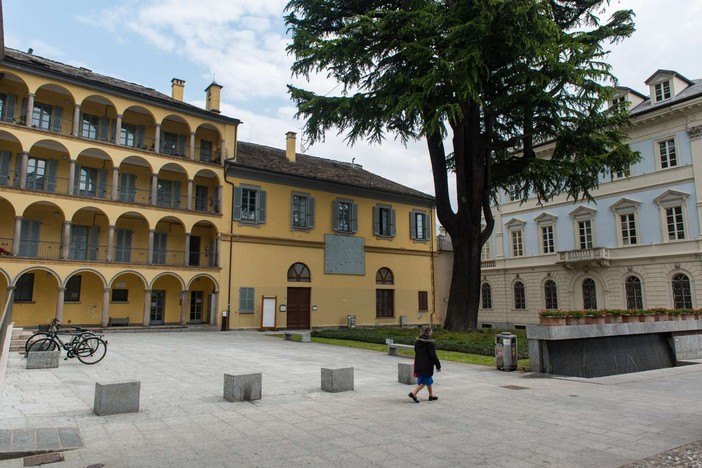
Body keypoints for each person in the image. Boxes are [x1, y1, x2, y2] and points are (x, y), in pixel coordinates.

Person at [408, 325, 441, 403]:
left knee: (428, 380)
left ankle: (431, 395)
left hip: (419, 363)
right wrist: (438, 366)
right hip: (427, 365)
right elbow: (433, 356)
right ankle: (413, 393)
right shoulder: (430, 343)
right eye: (431, 331)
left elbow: (416, 351)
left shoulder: (417, 341)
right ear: (429, 332)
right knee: (424, 381)